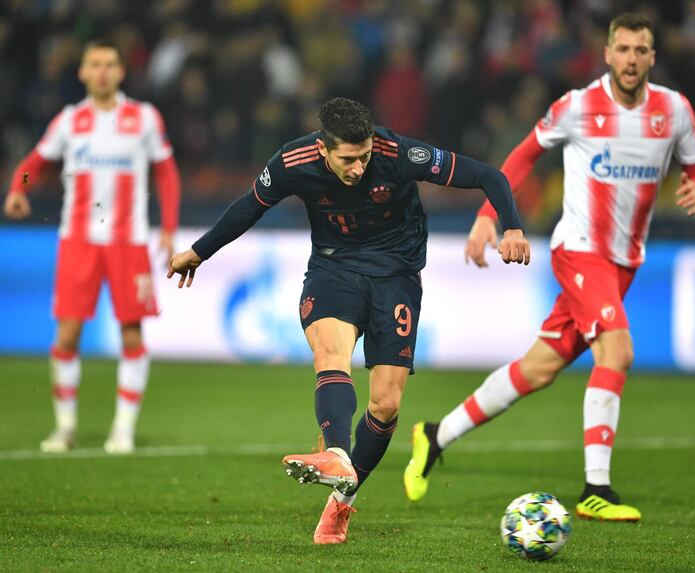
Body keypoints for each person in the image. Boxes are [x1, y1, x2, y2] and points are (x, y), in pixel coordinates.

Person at [167, 97, 531, 544]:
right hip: (333, 268)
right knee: (330, 352)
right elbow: (248, 207)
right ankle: (336, 451)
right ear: (323, 150)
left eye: (364, 157)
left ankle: (341, 502)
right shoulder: (292, 162)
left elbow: (488, 176)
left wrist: (511, 225)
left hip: (396, 275)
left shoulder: (397, 154)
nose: (358, 167)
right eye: (347, 159)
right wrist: (198, 252)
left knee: (386, 404)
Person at [403, 13, 695, 522]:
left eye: (641, 50)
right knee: (617, 350)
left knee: (538, 369)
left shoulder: (674, 111)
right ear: (608, 54)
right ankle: (596, 488)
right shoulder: (579, 106)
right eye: (623, 49)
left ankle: (436, 435)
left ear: (652, 57)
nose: (632, 59)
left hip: (624, 262)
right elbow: (523, 157)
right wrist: (488, 217)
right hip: (579, 250)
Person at [3, 40, 181, 455]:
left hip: (129, 241)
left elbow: (167, 173)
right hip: (78, 240)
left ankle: (123, 429)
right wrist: (17, 189)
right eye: (94, 65)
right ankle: (64, 427)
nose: (102, 71)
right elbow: (34, 164)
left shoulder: (144, 118)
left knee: (131, 331)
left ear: (121, 72)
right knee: (66, 334)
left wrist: (168, 229)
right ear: (82, 72)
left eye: (110, 64)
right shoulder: (69, 120)